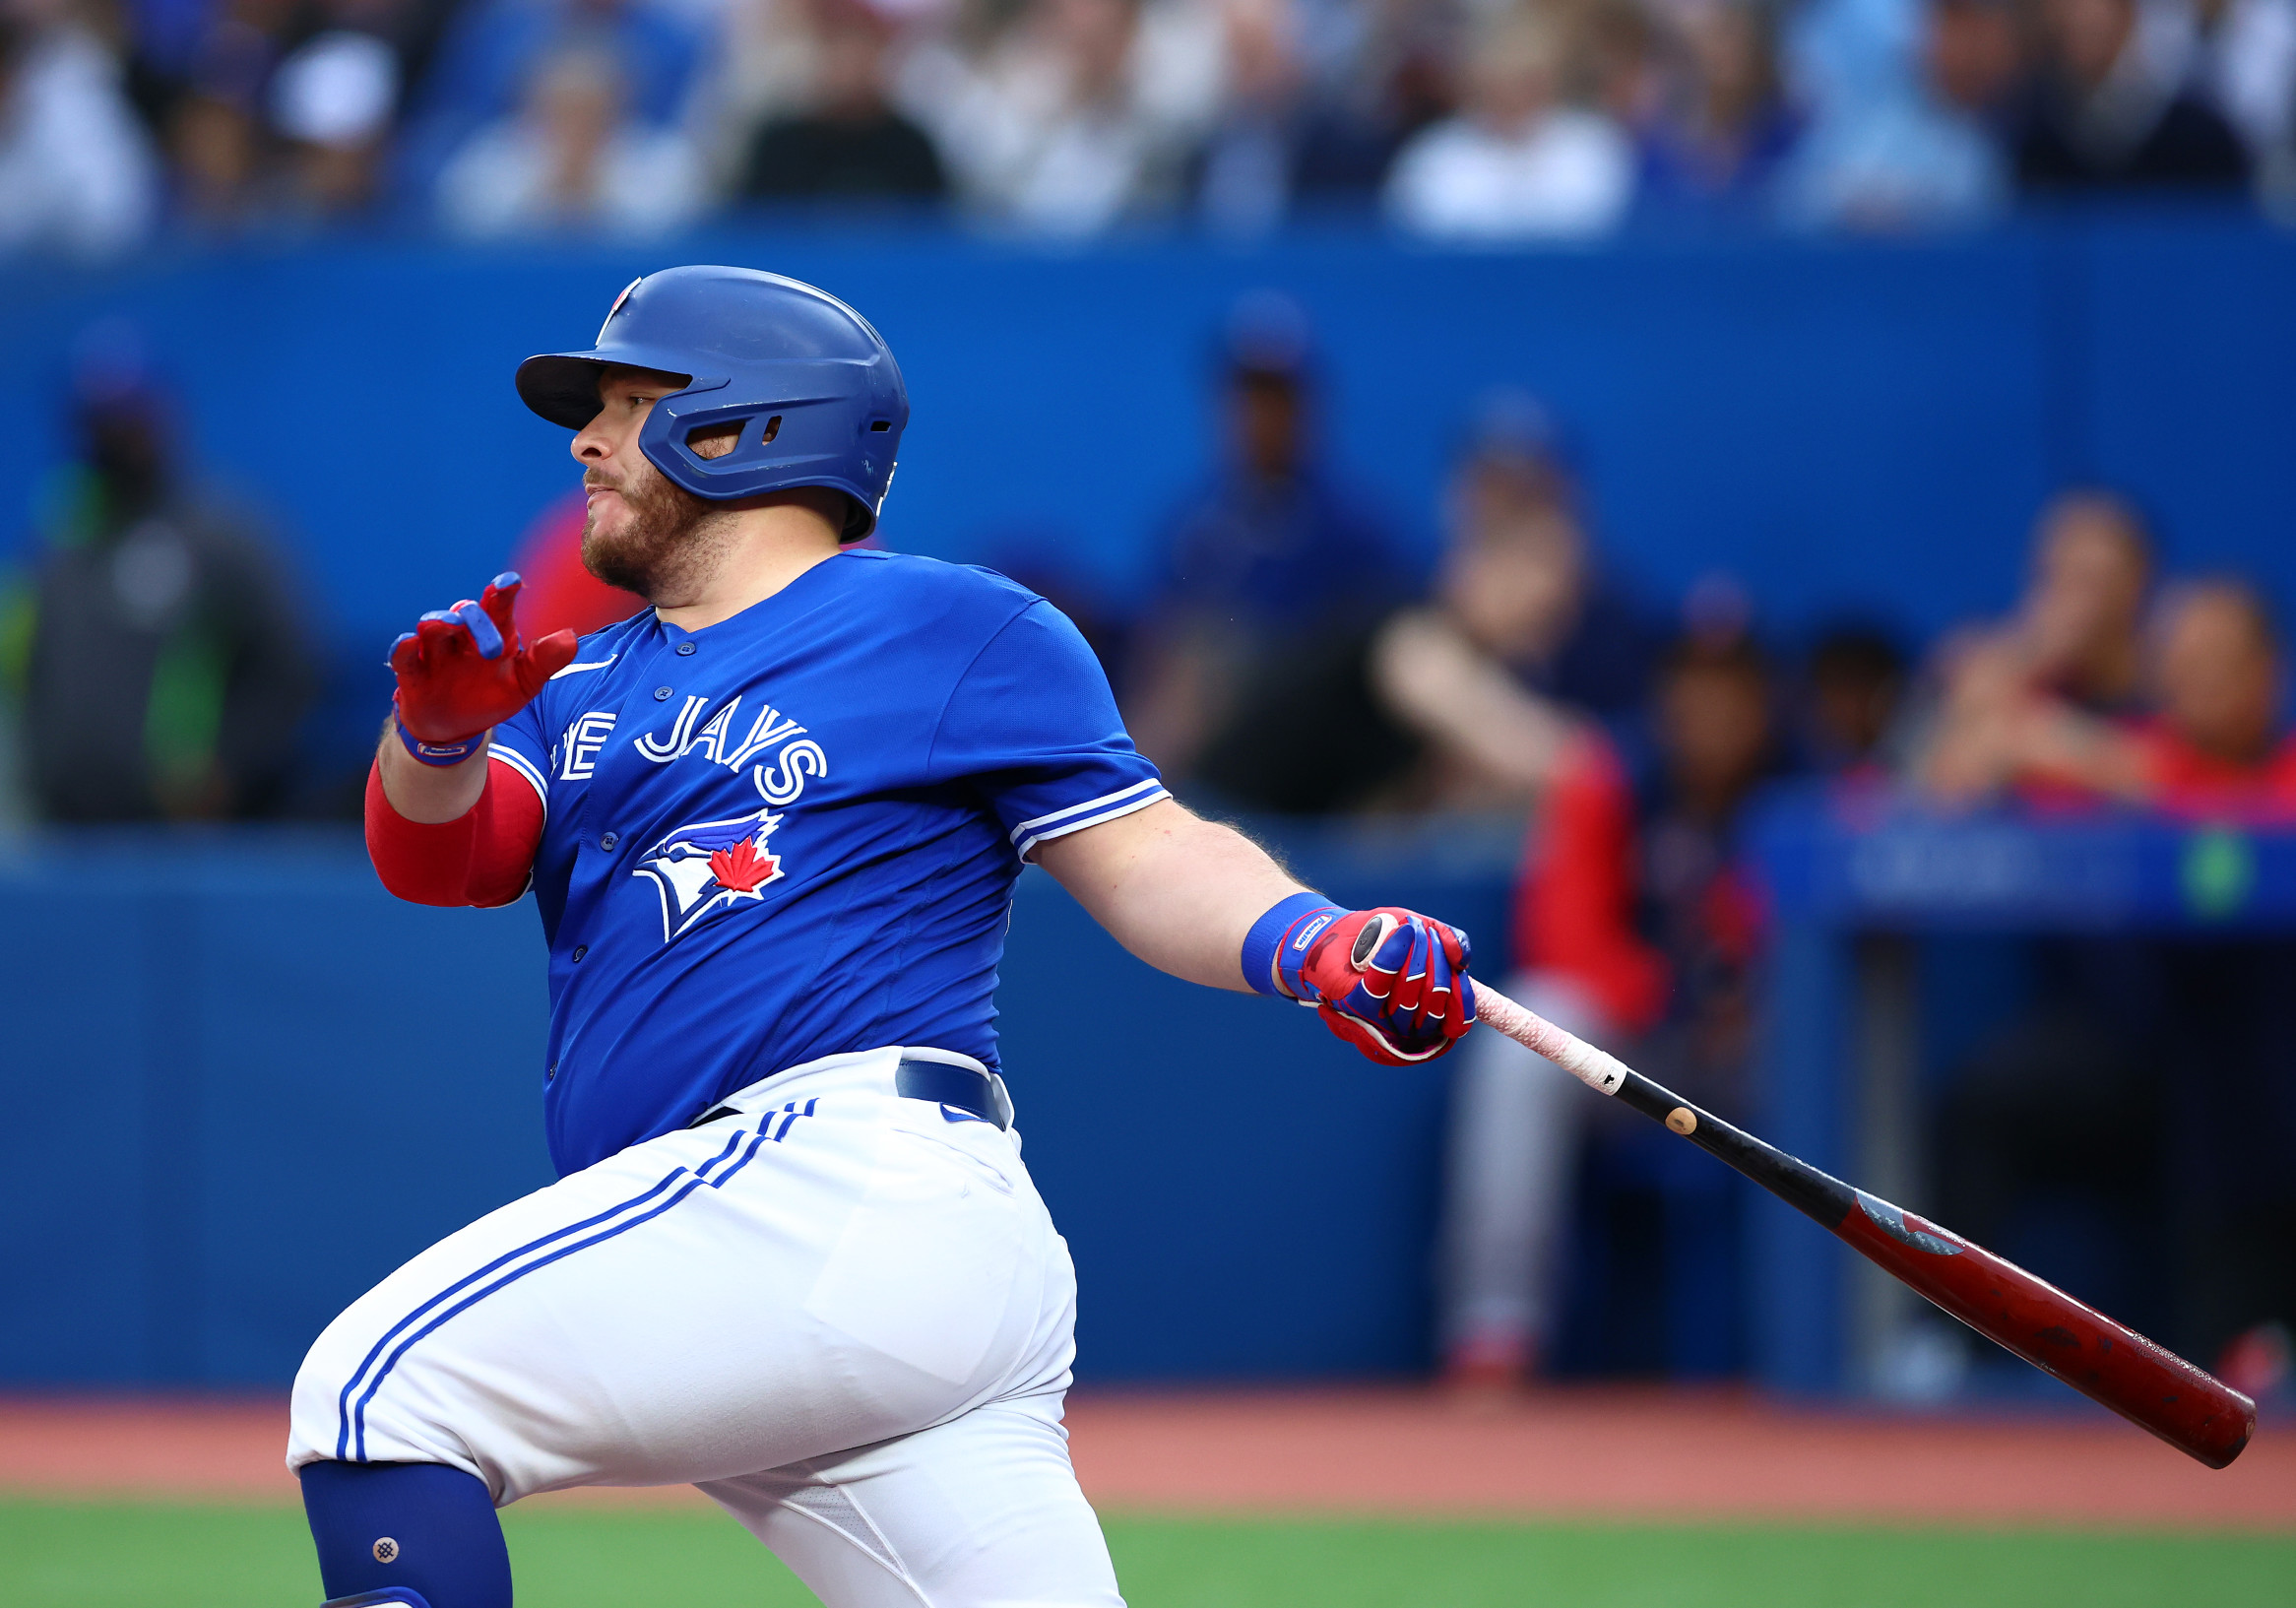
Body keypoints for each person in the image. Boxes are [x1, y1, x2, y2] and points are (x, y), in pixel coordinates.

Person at [286, 265, 1482, 1608]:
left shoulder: (950, 626)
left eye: (629, 403)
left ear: (745, 427)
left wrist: (1314, 940)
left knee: (374, 1388)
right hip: (824, 1256)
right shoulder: (580, 686)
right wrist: (436, 740)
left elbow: (1148, 854)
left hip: (839, 1175)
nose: (587, 442)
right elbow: (440, 857)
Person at [1438, 632, 1778, 1388]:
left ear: (1761, 703)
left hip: (1770, 1052)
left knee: (1836, 1061)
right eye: (1693, 686)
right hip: (1645, 1048)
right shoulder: (1613, 772)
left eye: (1731, 689)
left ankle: (1856, 1340)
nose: (1711, 708)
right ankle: (1498, 1329)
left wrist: (1750, 1001)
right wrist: (1678, 997)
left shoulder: (1800, 779)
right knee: (1526, 1037)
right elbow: (1563, 938)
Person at [1190, 387, 1660, 814]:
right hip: (1215, 835)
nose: (1536, 597)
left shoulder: (1603, 633)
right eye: (1507, 560)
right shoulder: (1410, 635)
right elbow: (1555, 764)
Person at [10, 325, 316, 822]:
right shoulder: (58, 542)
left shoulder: (220, 536)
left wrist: (228, 769)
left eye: (129, 420)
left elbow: (289, 666)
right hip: (63, 827)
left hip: (175, 834)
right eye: (100, 422)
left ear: (162, 416)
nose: (115, 439)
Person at [1123, 291, 1403, 781]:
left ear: (1306, 406)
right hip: (1218, 748)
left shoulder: (1356, 533)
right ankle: (1136, 793)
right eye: (1249, 398)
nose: (1262, 416)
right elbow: (1160, 653)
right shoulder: (1192, 528)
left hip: (1314, 746)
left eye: (1276, 398)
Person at [1915, 487, 2154, 806]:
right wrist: (2029, 658)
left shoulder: (2163, 678)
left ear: (2136, 585)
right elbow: (1942, 779)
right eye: (2061, 578)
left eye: (2095, 581)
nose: (2080, 603)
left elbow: (2158, 776)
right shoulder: (2000, 664)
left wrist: (2040, 740)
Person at [1382, 8, 1634, 240]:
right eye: (1500, 81)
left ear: (1550, 81)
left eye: (1526, 80)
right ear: (1476, 83)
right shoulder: (1435, 158)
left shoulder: (1592, 148)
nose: (1513, 95)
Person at [436, 45, 705, 236]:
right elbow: (463, 221)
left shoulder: (660, 156)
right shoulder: (496, 151)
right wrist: (546, 190)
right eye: (561, 110)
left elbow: (672, 226)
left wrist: (593, 189)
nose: (575, 124)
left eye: (590, 110)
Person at [2013, 0, 2249, 192]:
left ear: (2126, 15)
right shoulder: (2039, 141)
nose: (2074, 20)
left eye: (2084, 8)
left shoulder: (2200, 139)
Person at [736, 0, 947, 206]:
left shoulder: (912, 149)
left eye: (863, 45)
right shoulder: (780, 149)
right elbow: (751, 227)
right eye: (838, 45)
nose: (851, 61)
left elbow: (939, 226)